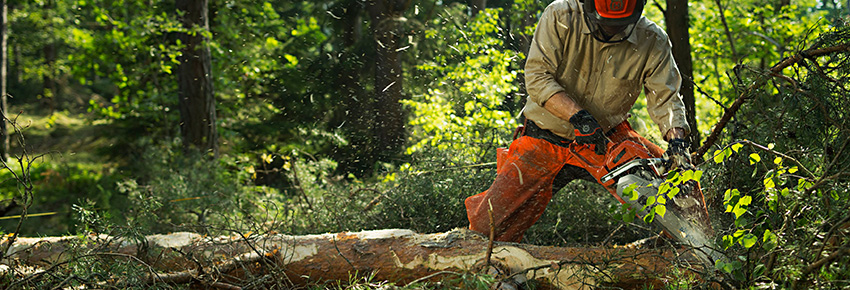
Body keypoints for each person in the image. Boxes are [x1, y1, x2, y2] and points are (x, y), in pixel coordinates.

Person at [464, 0, 709, 243]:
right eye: (605, 25)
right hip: (545, 137)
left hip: (606, 138)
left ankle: (701, 249)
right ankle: (491, 265)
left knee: (679, 183)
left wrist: (677, 142)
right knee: (490, 225)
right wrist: (578, 116)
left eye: (621, 25)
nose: (612, 31)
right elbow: (538, 77)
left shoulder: (652, 39)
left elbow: (666, 98)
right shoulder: (560, 16)